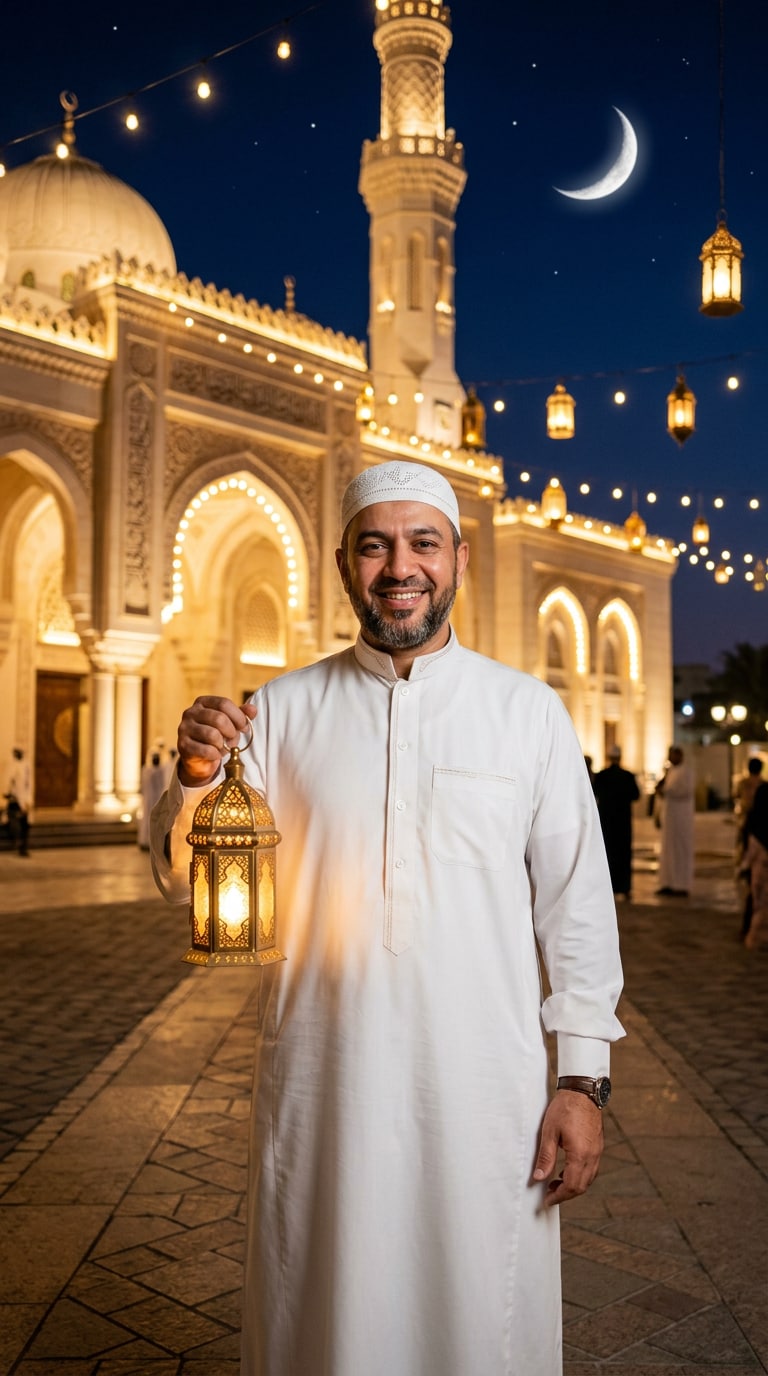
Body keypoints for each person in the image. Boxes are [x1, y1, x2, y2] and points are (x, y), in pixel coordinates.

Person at [150, 460, 625, 1376]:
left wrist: (582, 1082)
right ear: (341, 564)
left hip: (488, 1094)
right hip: (327, 1086)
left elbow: (577, 911)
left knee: (481, 1311)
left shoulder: (525, 713)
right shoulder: (280, 712)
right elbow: (186, 881)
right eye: (374, 545)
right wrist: (201, 781)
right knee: (324, 1312)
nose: (398, 567)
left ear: (460, 557)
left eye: (422, 543)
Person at [593, 745, 640, 900]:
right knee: (623, 854)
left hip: (606, 822)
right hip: (623, 823)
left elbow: (594, 794)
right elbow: (635, 795)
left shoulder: (602, 776)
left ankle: (608, 887)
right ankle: (624, 887)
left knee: (607, 854)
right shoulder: (627, 776)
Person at [655, 745, 695, 896]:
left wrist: (666, 791)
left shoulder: (686, 772)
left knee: (681, 849)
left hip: (681, 818)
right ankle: (668, 882)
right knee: (668, 850)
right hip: (670, 817)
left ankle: (681, 884)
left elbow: (685, 791)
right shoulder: (670, 772)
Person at [741, 781, 768, 950]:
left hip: (758, 866)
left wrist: (743, 865)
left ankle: (751, 934)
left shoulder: (753, 817)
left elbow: (748, 843)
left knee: (757, 901)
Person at [3, 746, 31, 856]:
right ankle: (19, 845)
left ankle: (22, 846)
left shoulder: (24, 766)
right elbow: (9, 783)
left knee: (24, 824)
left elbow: (27, 785)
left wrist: (27, 800)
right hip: (16, 800)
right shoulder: (13, 766)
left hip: (22, 800)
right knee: (18, 823)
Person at [137, 751, 165, 849]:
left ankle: (153, 841)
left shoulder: (160, 770)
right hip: (148, 799)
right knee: (146, 819)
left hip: (156, 799)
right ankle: (144, 840)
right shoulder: (147, 770)